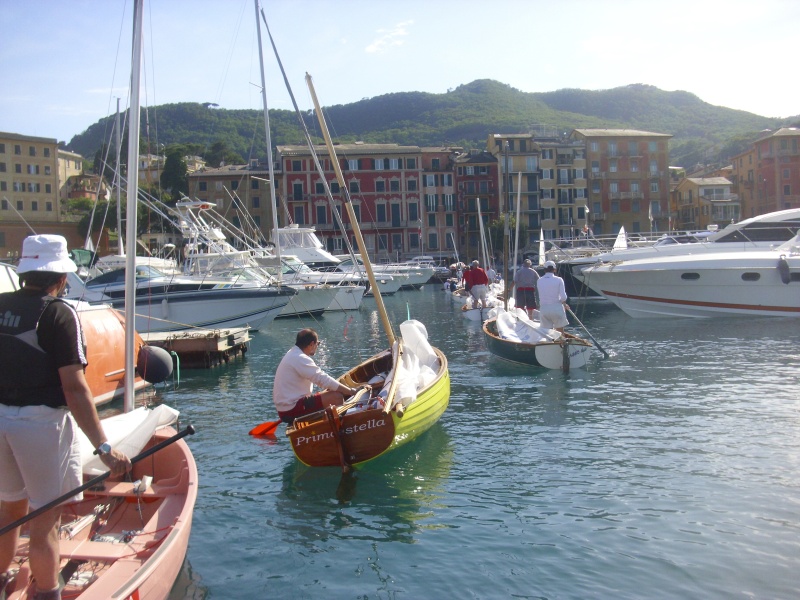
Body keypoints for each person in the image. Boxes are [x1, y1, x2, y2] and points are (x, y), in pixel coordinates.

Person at [0, 234, 131, 600]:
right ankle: (47, 593)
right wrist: (103, 448)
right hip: (40, 426)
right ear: (60, 277)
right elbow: (74, 388)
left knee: (8, 510)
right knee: (45, 521)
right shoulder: (59, 313)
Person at [273, 328, 363, 423]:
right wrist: (351, 391)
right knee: (337, 397)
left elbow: (322, 380)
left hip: (287, 408)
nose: (317, 346)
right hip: (292, 409)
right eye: (318, 344)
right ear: (312, 344)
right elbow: (323, 379)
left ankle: (329, 422)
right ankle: (339, 428)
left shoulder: (293, 353)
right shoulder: (300, 358)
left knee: (332, 391)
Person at [536, 260, 570, 332]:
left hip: (544, 309)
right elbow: (563, 297)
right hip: (556, 308)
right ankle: (561, 338)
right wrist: (564, 303)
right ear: (555, 270)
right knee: (560, 333)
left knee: (547, 333)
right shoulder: (559, 280)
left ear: (544, 270)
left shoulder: (539, 280)